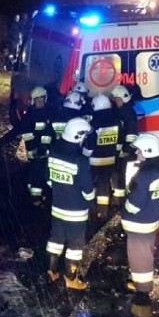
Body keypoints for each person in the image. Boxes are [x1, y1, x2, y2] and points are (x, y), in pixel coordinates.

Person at [121, 133, 159, 313]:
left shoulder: (145, 175)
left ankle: (142, 294)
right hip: (151, 219)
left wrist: (124, 208)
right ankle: (141, 285)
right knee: (144, 254)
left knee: (139, 256)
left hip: (139, 223)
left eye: (140, 152)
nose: (138, 155)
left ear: (148, 152)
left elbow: (135, 203)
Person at [46, 117, 95, 289]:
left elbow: (50, 180)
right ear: (78, 136)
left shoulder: (54, 152)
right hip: (76, 211)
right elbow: (87, 189)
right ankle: (70, 278)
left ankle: (51, 271)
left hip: (57, 207)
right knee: (75, 244)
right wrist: (91, 200)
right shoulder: (79, 160)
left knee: (56, 239)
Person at [82, 92, 120, 228]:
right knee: (104, 185)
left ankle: (91, 211)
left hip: (94, 161)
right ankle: (103, 212)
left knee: (90, 185)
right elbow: (119, 139)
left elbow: (90, 142)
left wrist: (84, 154)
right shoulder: (115, 120)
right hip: (110, 159)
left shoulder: (94, 122)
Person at [17, 86, 54, 206]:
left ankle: (49, 196)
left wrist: (46, 147)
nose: (40, 102)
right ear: (33, 100)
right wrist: (34, 150)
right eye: (38, 99)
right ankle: (35, 199)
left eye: (42, 99)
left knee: (47, 174)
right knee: (36, 175)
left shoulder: (49, 112)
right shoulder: (29, 116)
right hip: (35, 152)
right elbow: (27, 136)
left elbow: (50, 132)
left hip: (47, 151)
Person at [110, 84, 139, 210]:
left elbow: (131, 134)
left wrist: (126, 150)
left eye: (116, 99)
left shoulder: (128, 113)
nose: (115, 102)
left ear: (122, 99)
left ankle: (119, 200)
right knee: (117, 173)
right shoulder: (123, 110)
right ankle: (118, 197)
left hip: (123, 151)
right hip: (119, 150)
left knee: (119, 174)